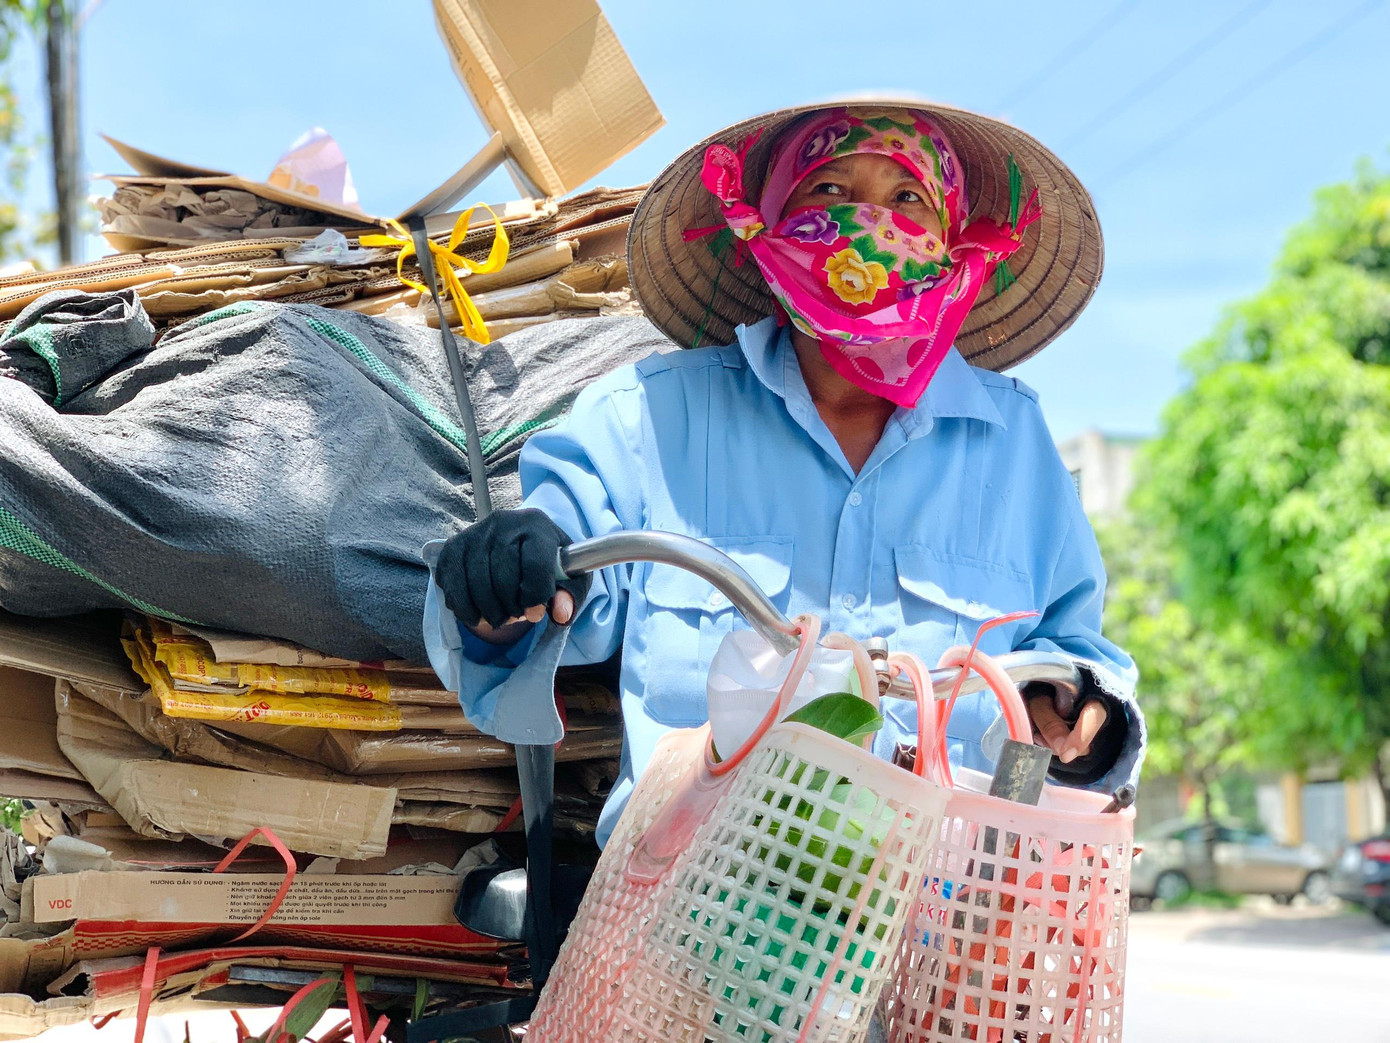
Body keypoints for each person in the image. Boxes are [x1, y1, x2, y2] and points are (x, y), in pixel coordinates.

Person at [423, 99, 1145, 849]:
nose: (870, 225)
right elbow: (556, 607)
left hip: (944, 931)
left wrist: (1086, 715)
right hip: (689, 920)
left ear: (948, 243)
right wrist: (504, 584)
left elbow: (1082, 658)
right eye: (828, 193)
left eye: (907, 199)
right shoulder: (646, 418)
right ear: (762, 226)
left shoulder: (1013, 444)